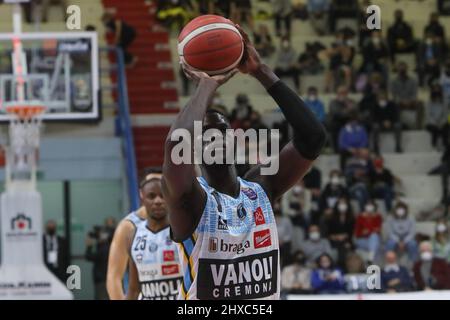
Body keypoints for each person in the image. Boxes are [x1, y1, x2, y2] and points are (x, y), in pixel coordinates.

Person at [162, 25, 327, 300]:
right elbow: (176, 146)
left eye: (222, 131)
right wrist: (208, 83)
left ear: (235, 140)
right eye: (206, 133)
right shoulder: (191, 200)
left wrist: (261, 71)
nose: (215, 138)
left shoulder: (260, 186)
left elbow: (313, 138)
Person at [106, 169, 177, 300]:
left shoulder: (181, 225)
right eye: (152, 191)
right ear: (142, 194)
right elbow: (114, 277)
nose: (158, 199)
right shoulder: (128, 227)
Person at [125, 174, 182, 300]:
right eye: (151, 196)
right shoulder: (133, 235)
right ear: (142, 198)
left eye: (163, 196)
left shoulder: (183, 232)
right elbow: (134, 290)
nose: (158, 201)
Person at [86, 217, 117, 300]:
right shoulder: (107, 244)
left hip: (104, 278)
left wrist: (89, 246)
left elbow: (89, 256)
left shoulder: (111, 243)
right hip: (106, 278)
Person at [390, 62, 424, 129]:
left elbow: (415, 93)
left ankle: (418, 126)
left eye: (404, 68)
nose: (402, 69)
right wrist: (401, 101)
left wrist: (410, 101)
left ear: (407, 69)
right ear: (398, 69)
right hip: (399, 102)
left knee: (420, 104)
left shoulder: (413, 80)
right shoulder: (393, 81)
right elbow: (394, 94)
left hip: (411, 101)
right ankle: (398, 125)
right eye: (400, 68)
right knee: (392, 104)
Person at [325, 197, 354, 270]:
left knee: (344, 245)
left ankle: (340, 266)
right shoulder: (331, 218)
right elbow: (328, 233)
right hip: (334, 240)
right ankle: (342, 266)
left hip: (346, 240)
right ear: (337, 205)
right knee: (341, 245)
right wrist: (336, 237)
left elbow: (351, 232)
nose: (342, 205)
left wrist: (345, 237)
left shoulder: (351, 218)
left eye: (344, 203)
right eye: (340, 203)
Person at [426, 83, 449, 149]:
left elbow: (445, 114)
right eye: (435, 90)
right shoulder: (429, 102)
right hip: (431, 123)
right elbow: (428, 116)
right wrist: (435, 123)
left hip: (442, 123)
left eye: (438, 90)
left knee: (446, 128)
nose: (437, 91)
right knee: (434, 129)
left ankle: (446, 145)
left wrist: (441, 123)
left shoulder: (445, 102)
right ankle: (434, 146)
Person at [274, 200, 294, 267]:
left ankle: (285, 266)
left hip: (285, 243)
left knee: (286, 250)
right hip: (273, 243)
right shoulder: (270, 221)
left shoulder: (286, 220)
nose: (277, 218)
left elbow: (290, 233)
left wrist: (283, 240)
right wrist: (276, 241)